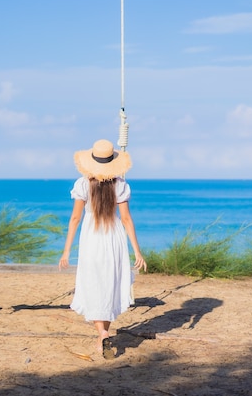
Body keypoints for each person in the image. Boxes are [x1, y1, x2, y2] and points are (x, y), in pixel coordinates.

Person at [59, 139, 146, 360]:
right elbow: (126, 220)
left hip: (92, 238)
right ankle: (103, 335)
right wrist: (137, 251)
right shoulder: (120, 185)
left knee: (94, 284)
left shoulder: (82, 184)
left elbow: (75, 218)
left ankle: (103, 333)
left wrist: (66, 251)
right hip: (114, 239)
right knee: (109, 284)